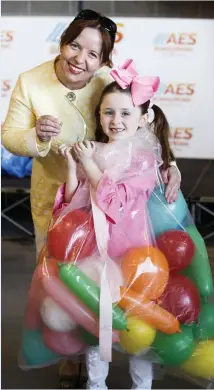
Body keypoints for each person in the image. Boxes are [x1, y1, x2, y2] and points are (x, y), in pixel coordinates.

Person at [1, 9, 180, 388]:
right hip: (59, 193)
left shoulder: (108, 82)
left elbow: (145, 118)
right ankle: (68, 353)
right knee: (61, 276)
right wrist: (36, 136)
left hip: (115, 200)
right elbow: (11, 135)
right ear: (63, 41)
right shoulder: (31, 81)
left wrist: (170, 161)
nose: (80, 59)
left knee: (114, 279)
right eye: (74, 45)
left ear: (104, 60)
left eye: (93, 54)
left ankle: (112, 349)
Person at [55, 60, 178, 389]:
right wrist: (72, 167)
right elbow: (72, 206)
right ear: (99, 116)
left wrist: (87, 164)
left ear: (143, 118)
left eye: (126, 113)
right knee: (99, 323)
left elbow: (116, 202)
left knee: (139, 325)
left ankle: (142, 385)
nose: (116, 120)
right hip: (97, 252)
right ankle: (96, 384)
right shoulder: (93, 151)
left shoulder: (144, 159)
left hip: (135, 253)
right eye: (108, 112)